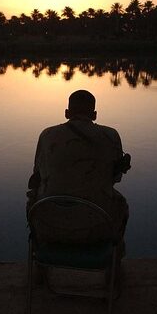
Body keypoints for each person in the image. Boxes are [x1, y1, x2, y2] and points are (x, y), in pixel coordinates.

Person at [27, 89, 130, 246]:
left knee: (32, 197)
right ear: (94, 115)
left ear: (67, 113)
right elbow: (115, 179)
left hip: (50, 225)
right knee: (121, 202)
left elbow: (38, 175)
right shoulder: (111, 135)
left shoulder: (47, 135)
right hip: (97, 225)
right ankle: (114, 262)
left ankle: (40, 263)